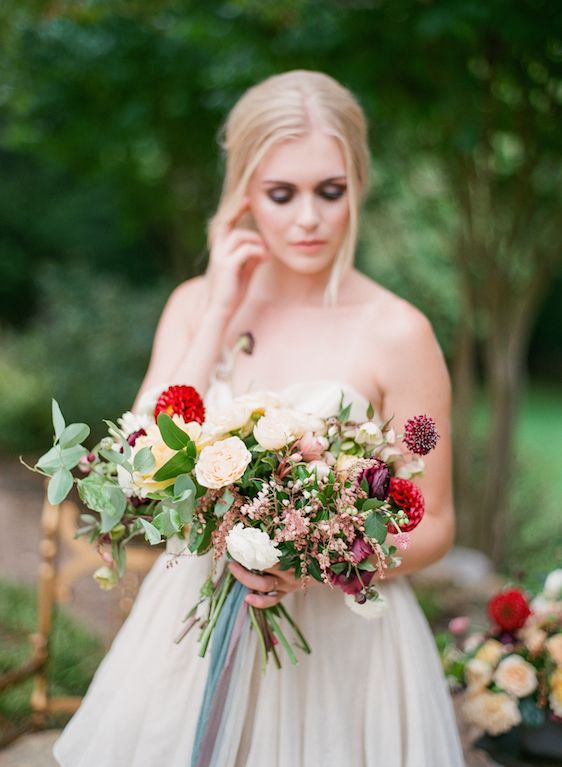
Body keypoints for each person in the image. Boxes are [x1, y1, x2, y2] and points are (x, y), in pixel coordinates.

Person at [53, 69, 465, 766]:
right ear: (244, 193)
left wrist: (316, 561)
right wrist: (218, 305)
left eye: (329, 191)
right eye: (282, 194)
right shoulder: (193, 305)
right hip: (191, 632)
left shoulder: (399, 331)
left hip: (343, 647)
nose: (308, 218)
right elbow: (140, 458)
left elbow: (437, 528)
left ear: (358, 185)